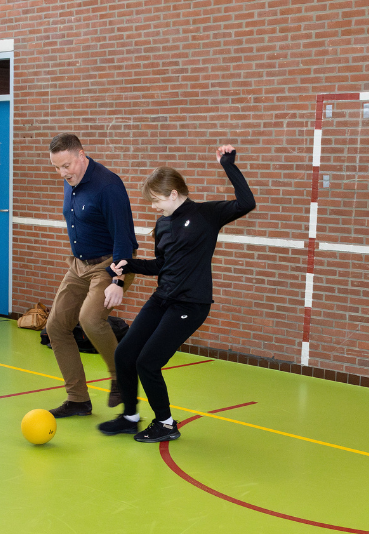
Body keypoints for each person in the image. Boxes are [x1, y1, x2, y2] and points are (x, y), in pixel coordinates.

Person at [98, 145, 256, 442]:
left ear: (173, 194)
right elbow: (162, 265)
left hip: (191, 303)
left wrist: (228, 165)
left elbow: (247, 202)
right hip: (163, 298)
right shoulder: (163, 224)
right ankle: (130, 416)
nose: (154, 207)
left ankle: (166, 424)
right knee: (125, 353)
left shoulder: (206, 214)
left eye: (156, 200)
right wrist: (128, 264)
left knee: (148, 362)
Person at [46, 134, 139, 418]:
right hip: (79, 265)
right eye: (57, 168)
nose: (62, 173)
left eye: (66, 166)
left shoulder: (108, 186)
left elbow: (123, 239)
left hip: (111, 263)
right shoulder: (71, 183)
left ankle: (121, 379)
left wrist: (117, 281)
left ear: (81, 155)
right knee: (56, 327)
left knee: (89, 318)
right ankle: (78, 400)